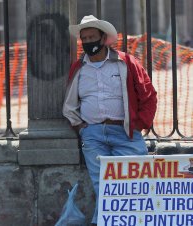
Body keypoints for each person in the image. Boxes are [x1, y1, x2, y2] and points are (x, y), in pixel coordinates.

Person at [63, 15, 157, 225]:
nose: (88, 42)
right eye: (84, 38)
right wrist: (80, 127)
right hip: (93, 135)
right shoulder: (78, 68)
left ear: (103, 38)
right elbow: (69, 103)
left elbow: (148, 95)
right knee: (103, 185)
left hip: (125, 134)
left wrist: (139, 124)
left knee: (136, 182)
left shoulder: (126, 63)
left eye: (92, 37)